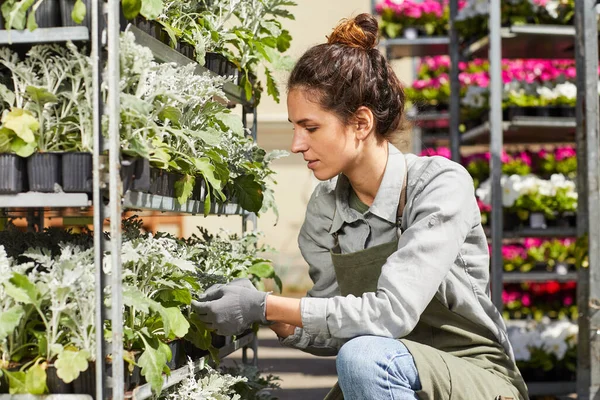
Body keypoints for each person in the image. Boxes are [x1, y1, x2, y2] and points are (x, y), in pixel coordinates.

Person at [192, 13, 529, 400]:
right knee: (361, 358)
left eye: (311, 127)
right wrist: (263, 314)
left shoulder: (438, 185)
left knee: (364, 358)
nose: (297, 144)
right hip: (389, 374)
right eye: (293, 127)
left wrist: (268, 305)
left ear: (361, 123)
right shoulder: (326, 208)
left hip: (473, 374)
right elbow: (331, 323)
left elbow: (390, 315)